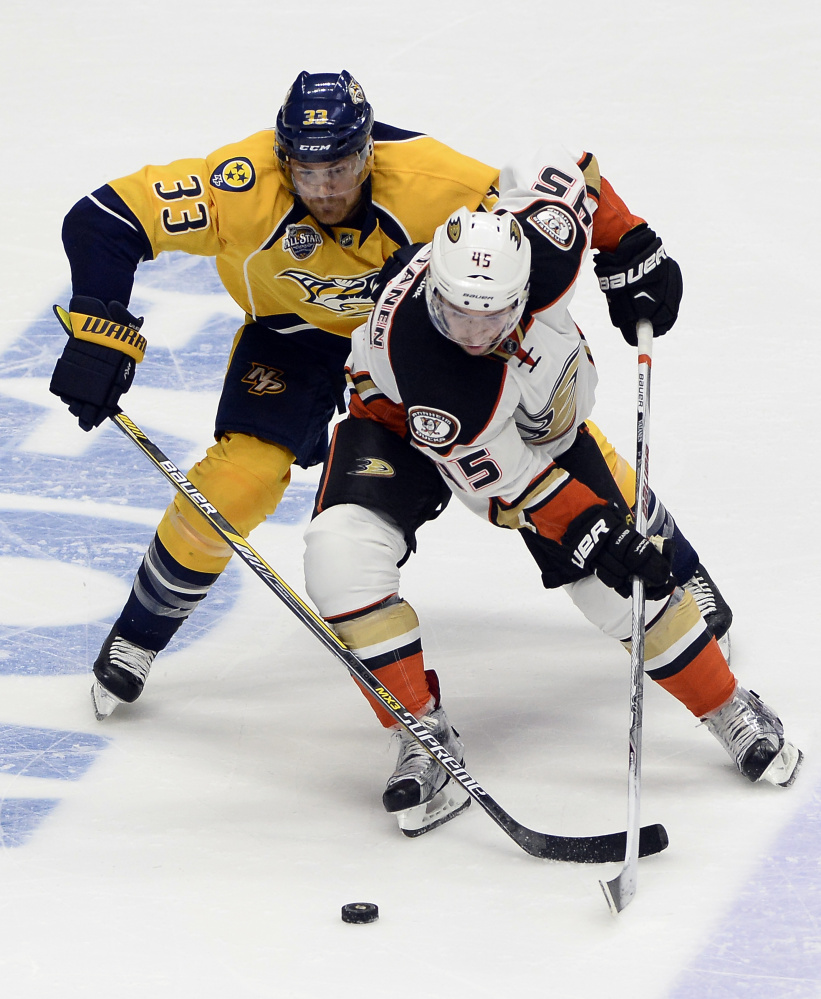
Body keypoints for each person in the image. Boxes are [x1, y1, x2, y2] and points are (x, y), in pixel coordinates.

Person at [49, 70, 728, 721]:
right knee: (237, 481)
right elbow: (104, 219)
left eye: (340, 167)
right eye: (305, 170)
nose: (324, 188)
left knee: (554, 437)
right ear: (283, 158)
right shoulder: (239, 184)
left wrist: (626, 242)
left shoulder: (430, 180)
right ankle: (139, 632)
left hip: (429, 340)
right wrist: (99, 328)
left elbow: (553, 194)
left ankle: (674, 564)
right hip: (295, 338)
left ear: (368, 148)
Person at [302, 159, 801, 836]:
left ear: (522, 287)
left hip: (541, 421)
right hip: (400, 423)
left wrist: (629, 247)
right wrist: (596, 527)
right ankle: (420, 733)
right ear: (434, 296)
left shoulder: (544, 241)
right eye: (456, 313)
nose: (475, 334)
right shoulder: (438, 372)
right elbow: (518, 487)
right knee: (339, 558)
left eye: (492, 315)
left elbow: (581, 177)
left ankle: (728, 704)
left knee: (619, 588)